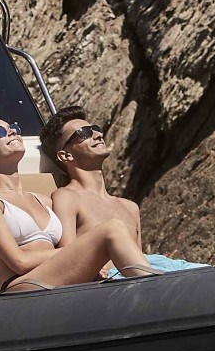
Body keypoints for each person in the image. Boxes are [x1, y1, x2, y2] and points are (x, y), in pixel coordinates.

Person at [0, 116, 157, 291]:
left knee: (112, 229)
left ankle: (155, 288)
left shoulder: (43, 201)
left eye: (13, 128)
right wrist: (83, 253)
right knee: (112, 230)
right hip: (20, 284)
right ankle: (157, 289)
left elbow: (75, 241)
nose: (12, 132)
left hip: (54, 277)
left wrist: (89, 255)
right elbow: (18, 262)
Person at [39, 106, 206, 274]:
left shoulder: (130, 207)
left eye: (95, 128)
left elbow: (138, 259)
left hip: (160, 267)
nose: (97, 134)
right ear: (65, 155)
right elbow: (68, 257)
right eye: (83, 133)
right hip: (118, 279)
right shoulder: (67, 197)